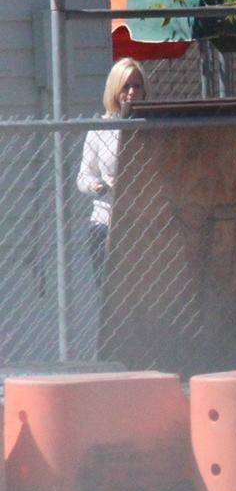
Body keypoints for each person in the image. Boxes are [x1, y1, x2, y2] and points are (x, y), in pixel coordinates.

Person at [74, 58, 144, 355]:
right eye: (125, 86)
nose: (131, 92)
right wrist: (97, 187)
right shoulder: (100, 130)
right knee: (111, 296)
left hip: (142, 224)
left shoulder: (149, 127)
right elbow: (83, 176)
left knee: (143, 296)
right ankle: (113, 355)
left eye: (137, 86)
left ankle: (144, 351)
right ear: (114, 90)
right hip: (106, 224)